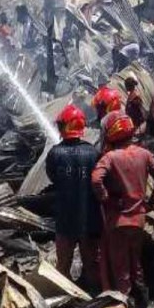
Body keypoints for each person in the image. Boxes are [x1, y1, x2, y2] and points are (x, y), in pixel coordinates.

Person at [91, 114, 154, 308]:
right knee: (137, 265)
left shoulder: (111, 157)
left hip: (118, 221)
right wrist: (152, 202)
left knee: (121, 270)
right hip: (139, 219)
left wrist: (106, 198)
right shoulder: (144, 154)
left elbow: (96, 179)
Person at [46, 105, 101, 291]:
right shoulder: (93, 152)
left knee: (62, 267)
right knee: (91, 266)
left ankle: (63, 303)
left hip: (65, 219)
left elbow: (53, 178)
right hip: (89, 219)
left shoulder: (55, 153)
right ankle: (94, 302)